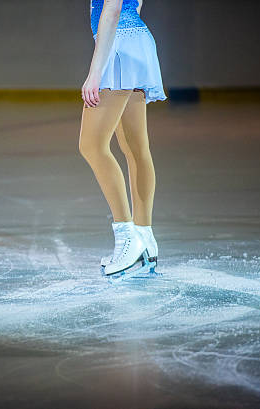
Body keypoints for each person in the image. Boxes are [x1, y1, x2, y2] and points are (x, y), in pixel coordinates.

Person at [79, 0, 166, 279]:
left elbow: (113, 9)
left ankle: (127, 236)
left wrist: (95, 72)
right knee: (135, 147)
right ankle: (144, 236)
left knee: (92, 145)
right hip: (136, 44)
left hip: (120, 47)